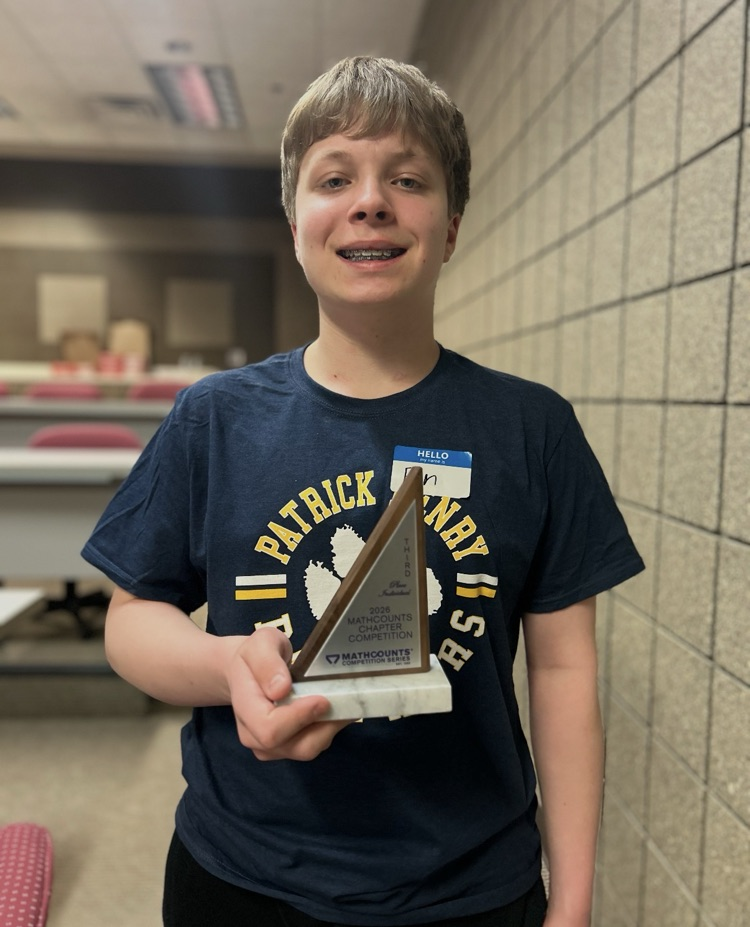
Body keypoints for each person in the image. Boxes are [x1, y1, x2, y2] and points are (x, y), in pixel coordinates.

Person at [82, 57, 644, 927]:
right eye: (334, 177)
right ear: (296, 222)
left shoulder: (534, 429)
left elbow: (565, 668)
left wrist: (570, 905)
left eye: (408, 179)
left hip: (472, 888)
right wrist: (225, 661)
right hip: (243, 877)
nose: (371, 200)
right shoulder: (214, 418)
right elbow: (130, 618)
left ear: (451, 227)